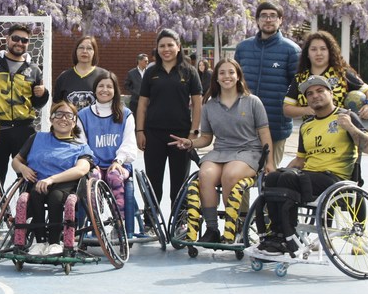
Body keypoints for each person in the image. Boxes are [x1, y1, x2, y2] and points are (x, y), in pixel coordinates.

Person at [258, 75, 368, 254]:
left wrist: (350, 127)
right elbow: (300, 160)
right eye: (310, 93)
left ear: (331, 94)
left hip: (334, 180)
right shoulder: (306, 126)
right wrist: (276, 171)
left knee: (289, 179)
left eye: (320, 91)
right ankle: (276, 234)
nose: (315, 95)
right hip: (308, 177)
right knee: (274, 178)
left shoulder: (346, 116)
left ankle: (286, 237)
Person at [169, 58, 273, 243]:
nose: (227, 76)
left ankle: (235, 228)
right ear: (216, 78)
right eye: (222, 73)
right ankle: (212, 229)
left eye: (231, 72)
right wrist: (190, 143)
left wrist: (270, 162)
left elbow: (264, 133)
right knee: (205, 174)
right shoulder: (209, 106)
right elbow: (207, 138)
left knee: (230, 175)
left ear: (238, 75)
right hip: (221, 151)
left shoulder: (252, 102)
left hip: (248, 151)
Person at [11, 101, 94, 256]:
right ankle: (40, 241)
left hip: (65, 185)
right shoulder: (37, 138)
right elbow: (16, 161)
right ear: (51, 118)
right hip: (37, 182)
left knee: (55, 197)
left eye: (69, 115)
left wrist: (52, 179)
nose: (63, 118)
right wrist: (23, 168)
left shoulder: (81, 147)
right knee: (35, 194)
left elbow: (82, 169)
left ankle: (55, 242)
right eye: (59, 114)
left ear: (74, 121)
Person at [0, 23, 50, 197]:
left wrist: (43, 95)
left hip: (24, 128)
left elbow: (37, 104)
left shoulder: (34, 70)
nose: (19, 43)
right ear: (7, 39)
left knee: (28, 173)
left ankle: (27, 213)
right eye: (16, 38)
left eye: (24, 40)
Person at [135, 28, 202, 212]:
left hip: (180, 135)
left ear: (178, 47)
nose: (166, 49)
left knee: (179, 183)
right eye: (162, 46)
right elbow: (142, 105)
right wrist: (139, 131)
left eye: (170, 45)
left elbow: (198, 104)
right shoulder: (151, 72)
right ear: (157, 49)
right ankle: (151, 221)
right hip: (153, 134)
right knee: (153, 181)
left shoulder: (189, 72)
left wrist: (193, 134)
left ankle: (179, 220)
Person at [234, 1, 300, 167]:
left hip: (275, 125)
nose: (268, 20)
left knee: (269, 175)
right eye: (264, 16)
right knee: (240, 177)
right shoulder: (243, 48)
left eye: (273, 16)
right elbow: (233, 84)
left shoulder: (291, 50)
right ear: (257, 20)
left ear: (280, 20)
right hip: (244, 125)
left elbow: (298, 86)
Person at [77, 71, 137, 218]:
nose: (105, 90)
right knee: (93, 177)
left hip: (119, 165)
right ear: (95, 89)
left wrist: (118, 161)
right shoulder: (83, 114)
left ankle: (119, 224)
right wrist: (90, 163)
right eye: (101, 86)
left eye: (109, 86)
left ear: (115, 90)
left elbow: (129, 142)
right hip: (93, 164)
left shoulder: (126, 114)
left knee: (115, 175)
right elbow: (80, 143)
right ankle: (94, 225)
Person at [283, 30, 368, 120]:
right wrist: (306, 110)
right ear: (307, 53)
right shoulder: (300, 78)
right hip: (311, 132)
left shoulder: (341, 73)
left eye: (323, 49)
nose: (318, 53)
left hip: (340, 130)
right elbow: (286, 108)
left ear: (330, 51)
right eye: (313, 49)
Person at [52, 35, 108, 111]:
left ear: (94, 52)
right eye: (81, 48)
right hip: (70, 121)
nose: (84, 51)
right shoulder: (64, 77)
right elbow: (56, 106)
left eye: (89, 48)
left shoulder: (104, 76)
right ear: (76, 51)